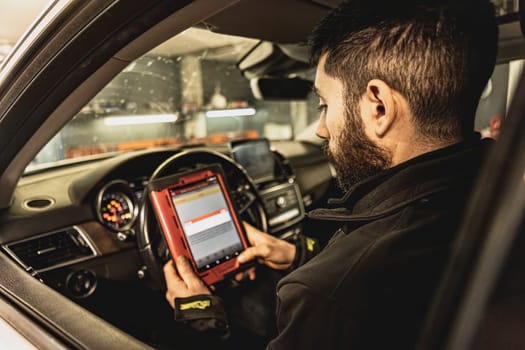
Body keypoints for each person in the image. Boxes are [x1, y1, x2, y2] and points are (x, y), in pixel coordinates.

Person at [162, 0, 498, 348]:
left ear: (379, 107)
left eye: (324, 105)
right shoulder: (498, 193)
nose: (321, 129)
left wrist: (200, 318)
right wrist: (298, 257)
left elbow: (346, 289)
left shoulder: (330, 295)